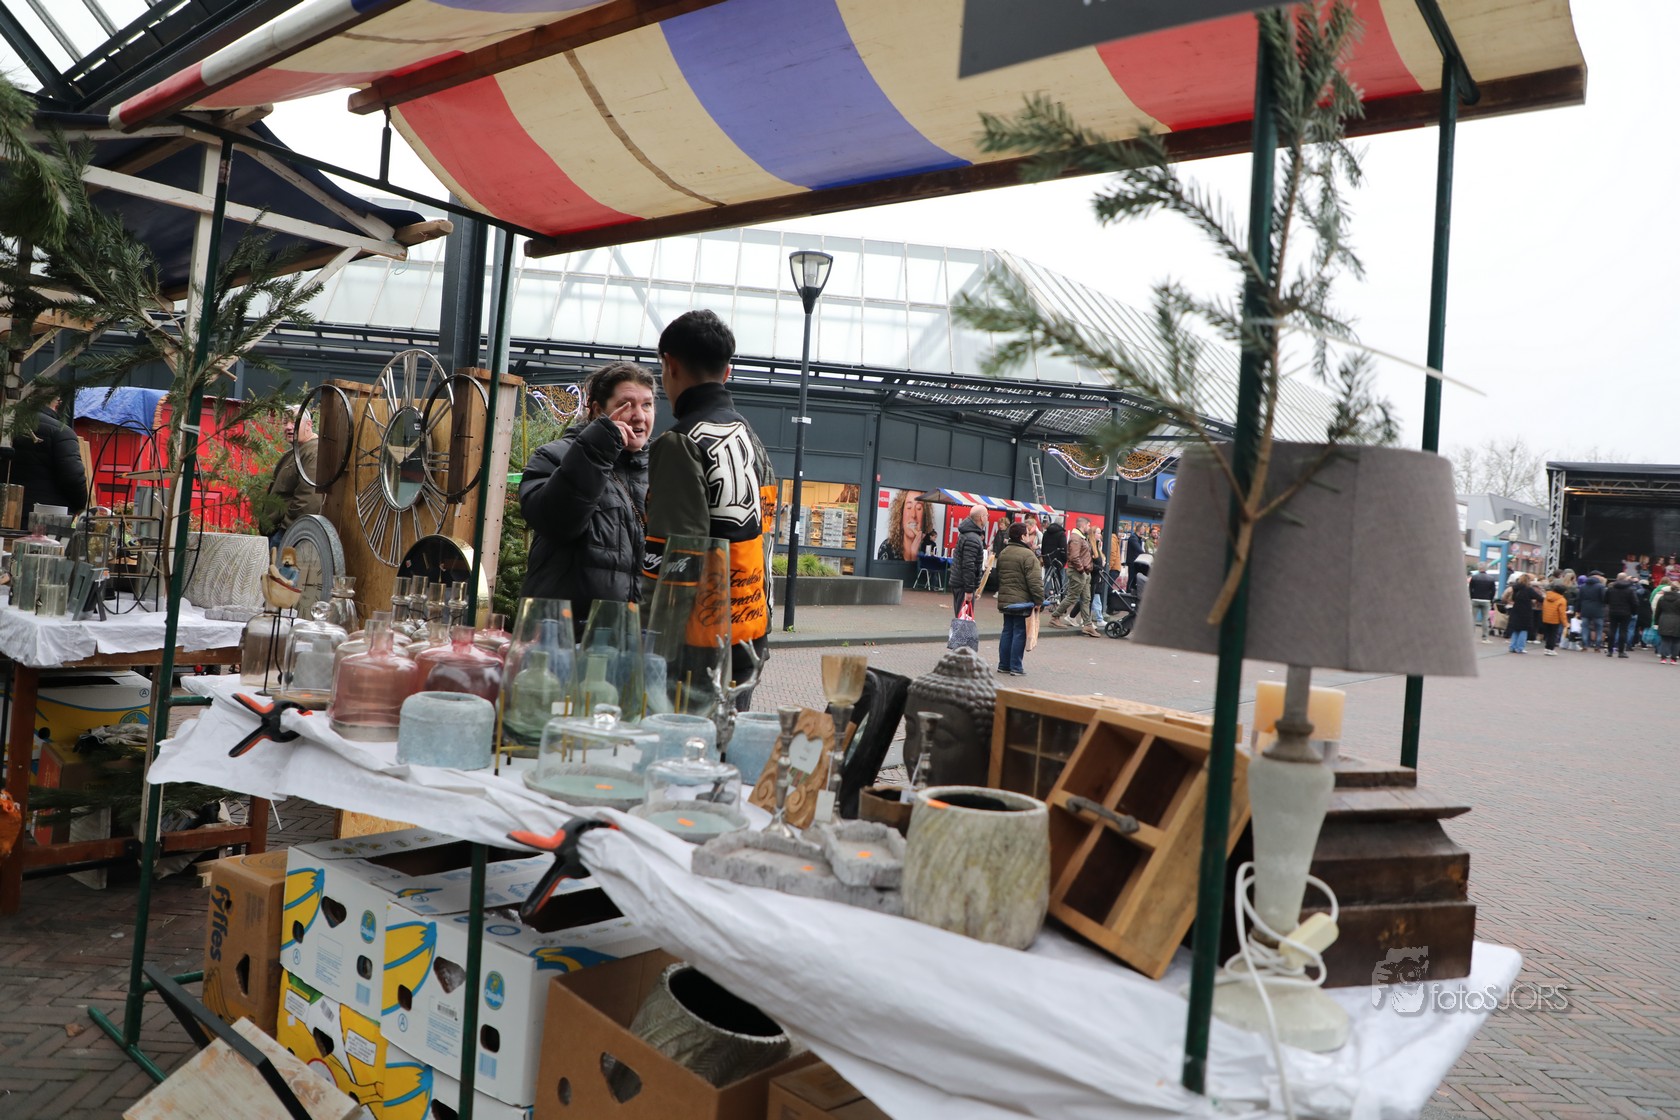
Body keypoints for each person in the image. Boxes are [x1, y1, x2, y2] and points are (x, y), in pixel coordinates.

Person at [642, 310, 775, 705]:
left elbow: (673, 561)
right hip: (748, 638)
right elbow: (767, 539)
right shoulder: (751, 438)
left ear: (670, 364)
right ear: (727, 372)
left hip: (693, 654)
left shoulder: (680, 442)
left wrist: (647, 647)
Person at [519, 361, 654, 637]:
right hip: (563, 636)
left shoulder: (660, 470)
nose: (639, 416)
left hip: (631, 640)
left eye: (647, 405)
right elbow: (557, 521)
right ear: (596, 410)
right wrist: (599, 445)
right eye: (626, 404)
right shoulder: (555, 456)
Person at [3, 406, 87, 517]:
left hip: (7, 507)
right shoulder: (61, 431)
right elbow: (74, 478)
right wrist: (79, 506)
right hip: (44, 516)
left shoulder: (6, 423)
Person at [261, 406, 321, 546]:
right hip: (279, 532)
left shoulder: (314, 452)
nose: (288, 427)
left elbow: (309, 500)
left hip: (288, 535)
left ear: (308, 425)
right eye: (285, 422)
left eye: (294, 422)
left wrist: (285, 530)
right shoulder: (295, 452)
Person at [994, 521, 1044, 676]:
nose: (1029, 537)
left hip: (1006, 599)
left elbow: (999, 575)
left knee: (1007, 630)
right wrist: (1039, 600)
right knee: (1019, 632)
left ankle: (1003, 664)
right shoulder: (1028, 555)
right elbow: (1035, 581)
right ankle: (1016, 666)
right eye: (1027, 534)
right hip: (1022, 600)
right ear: (1022, 536)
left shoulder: (1004, 553)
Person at [1048, 517, 1098, 637]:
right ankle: (1055, 617)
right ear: (1083, 525)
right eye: (1088, 525)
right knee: (1072, 597)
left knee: (1086, 598)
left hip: (1083, 572)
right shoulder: (1076, 538)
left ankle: (1087, 625)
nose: (1089, 528)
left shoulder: (1080, 537)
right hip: (1078, 572)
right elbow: (1074, 557)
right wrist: (1082, 570)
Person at [947, 504, 988, 616]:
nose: (987, 518)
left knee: (961, 616)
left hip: (960, 582)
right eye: (986, 516)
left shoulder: (967, 534)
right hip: (963, 585)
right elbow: (969, 565)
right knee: (964, 619)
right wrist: (969, 590)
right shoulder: (973, 538)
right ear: (981, 517)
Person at [876, 489, 933, 561]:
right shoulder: (887, 548)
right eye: (909, 507)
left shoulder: (929, 549)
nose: (913, 515)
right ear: (901, 514)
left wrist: (915, 556)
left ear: (925, 515)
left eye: (918, 508)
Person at [1604, 573, 1641, 659]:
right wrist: (1633, 612)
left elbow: (1605, 600)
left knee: (1612, 630)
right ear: (1625, 579)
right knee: (1623, 631)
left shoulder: (1611, 589)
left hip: (1613, 611)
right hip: (1626, 612)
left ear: (1617, 578)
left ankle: (1610, 650)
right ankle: (1621, 651)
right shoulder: (1630, 589)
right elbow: (1635, 602)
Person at [1505, 573, 1540, 654]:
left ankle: (1512, 646)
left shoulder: (1515, 588)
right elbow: (1539, 598)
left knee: (1516, 629)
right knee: (1524, 629)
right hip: (1526, 611)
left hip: (1516, 609)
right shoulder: (1529, 589)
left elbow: (1513, 598)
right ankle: (1520, 648)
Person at [1576, 570, 1607, 650]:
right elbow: (1604, 598)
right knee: (1599, 628)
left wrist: (1578, 610)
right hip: (1598, 610)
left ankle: (1585, 645)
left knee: (1585, 627)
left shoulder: (1583, 587)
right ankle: (1597, 645)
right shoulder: (1601, 587)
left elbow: (1579, 599)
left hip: (1585, 609)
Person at [1040, 516, 1067, 599]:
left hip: (1048, 559)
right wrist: (1064, 560)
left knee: (1047, 578)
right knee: (1060, 579)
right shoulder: (1061, 534)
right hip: (1058, 561)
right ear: (1062, 524)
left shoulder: (1046, 533)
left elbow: (1043, 547)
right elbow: (1064, 549)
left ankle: (1046, 595)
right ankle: (1059, 596)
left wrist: (1044, 558)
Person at [1467, 568, 1498, 643]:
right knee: (1485, 619)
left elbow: (1470, 588)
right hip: (1486, 600)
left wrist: (1472, 597)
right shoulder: (1491, 578)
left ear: (1479, 569)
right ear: (1486, 570)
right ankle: (1485, 638)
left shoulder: (1474, 577)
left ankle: (1470, 637)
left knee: (1473, 618)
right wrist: (1490, 599)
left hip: (1475, 599)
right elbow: (1493, 591)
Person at [1541, 581, 1569, 656]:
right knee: (1553, 635)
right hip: (1555, 619)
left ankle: (1546, 648)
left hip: (1546, 617)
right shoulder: (1562, 600)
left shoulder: (1547, 596)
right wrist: (1565, 623)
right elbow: (1562, 613)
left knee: (1548, 634)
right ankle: (1551, 649)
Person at [1655, 581, 1680, 664]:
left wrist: (1656, 622)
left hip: (1664, 619)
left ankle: (1663, 658)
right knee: (1676, 641)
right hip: (1677, 620)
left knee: (1665, 640)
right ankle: (1673, 659)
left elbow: (1658, 611)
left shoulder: (1662, 598)